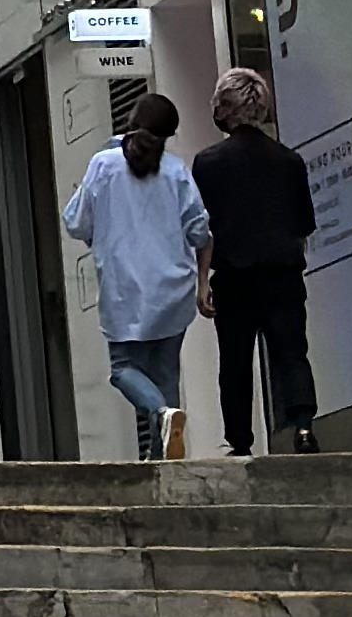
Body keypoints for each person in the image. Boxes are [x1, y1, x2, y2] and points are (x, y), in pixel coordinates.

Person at [63, 94, 212, 458]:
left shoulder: (104, 164)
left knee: (123, 369)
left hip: (124, 290)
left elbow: (76, 222)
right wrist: (203, 283)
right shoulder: (176, 171)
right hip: (173, 290)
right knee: (166, 374)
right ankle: (163, 462)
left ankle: (160, 414)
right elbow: (200, 232)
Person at [189, 67, 321, 457]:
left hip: (234, 275)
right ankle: (303, 426)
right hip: (282, 272)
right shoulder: (289, 160)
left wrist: (202, 280)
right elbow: (303, 225)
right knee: (291, 352)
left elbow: (203, 229)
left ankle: (240, 440)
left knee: (235, 360)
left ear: (224, 108)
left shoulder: (208, 162)